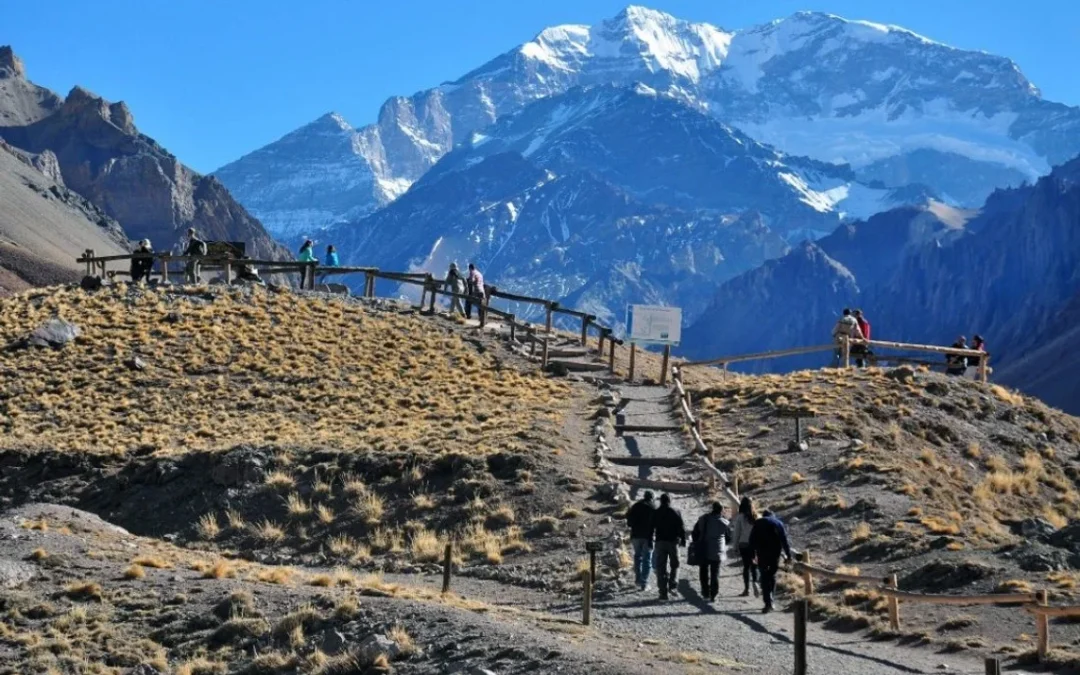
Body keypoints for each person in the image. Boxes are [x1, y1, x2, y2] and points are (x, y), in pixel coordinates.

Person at [749, 509, 793, 614]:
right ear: (773, 515)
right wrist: (788, 555)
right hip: (775, 553)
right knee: (772, 575)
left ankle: (767, 603)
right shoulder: (778, 523)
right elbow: (784, 540)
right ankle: (771, 599)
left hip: (762, 553)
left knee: (764, 576)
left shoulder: (758, 522)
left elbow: (751, 540)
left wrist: (752, 555)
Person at [691, 501, 732, 602]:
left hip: (703, 548)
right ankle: (714, 594)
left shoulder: (703, 519)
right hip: (717, 551)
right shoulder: (725, 522)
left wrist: (697, 542)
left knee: (703, 571)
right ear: (721, 511)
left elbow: (695, 533)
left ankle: (705, 592)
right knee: (715, 573)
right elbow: (729, 538)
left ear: (712, 508)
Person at [652, 493, 686, 600]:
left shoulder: (656, 513)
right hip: (673, 542)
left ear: (660, 501)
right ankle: (673, 584)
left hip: (660, 542)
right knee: (675, 564)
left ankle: (663, 592)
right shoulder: (676, 512)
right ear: (669, 501)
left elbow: (651, 527)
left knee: (660, 567)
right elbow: (681, 527)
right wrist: (683, 540)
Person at [625, 491, 657, 591]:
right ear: (652, 498)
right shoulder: (653, 507)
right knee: (647, 559)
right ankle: (644, 583)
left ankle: (638, 579)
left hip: (635, 536)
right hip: (648, 537)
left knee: (637, 556)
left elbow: (629, 522)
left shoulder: (635, 506)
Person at [731, 496, 760, 598]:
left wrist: (734, 547)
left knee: (746, 567)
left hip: (743, 544)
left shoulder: (740, 517)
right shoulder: (757, 516)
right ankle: (755, 582)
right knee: (754, 565)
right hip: (755, 545)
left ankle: (746, 589)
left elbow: (736, 533)